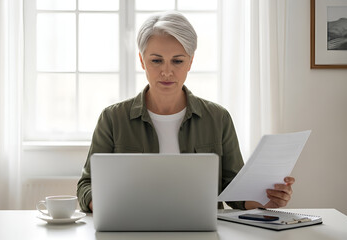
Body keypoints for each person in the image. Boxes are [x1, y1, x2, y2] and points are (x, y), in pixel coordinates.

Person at [77, 11, 295, 212]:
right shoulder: (112, 119)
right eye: (156, 60)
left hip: (200, 231)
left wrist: (267, 199)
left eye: (177, 61)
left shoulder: (218, 118)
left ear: (190, 62)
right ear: (142, 61)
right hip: (132, 229)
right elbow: (86, 185)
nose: (166, 71)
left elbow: (234, 191)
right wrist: (104, 204)